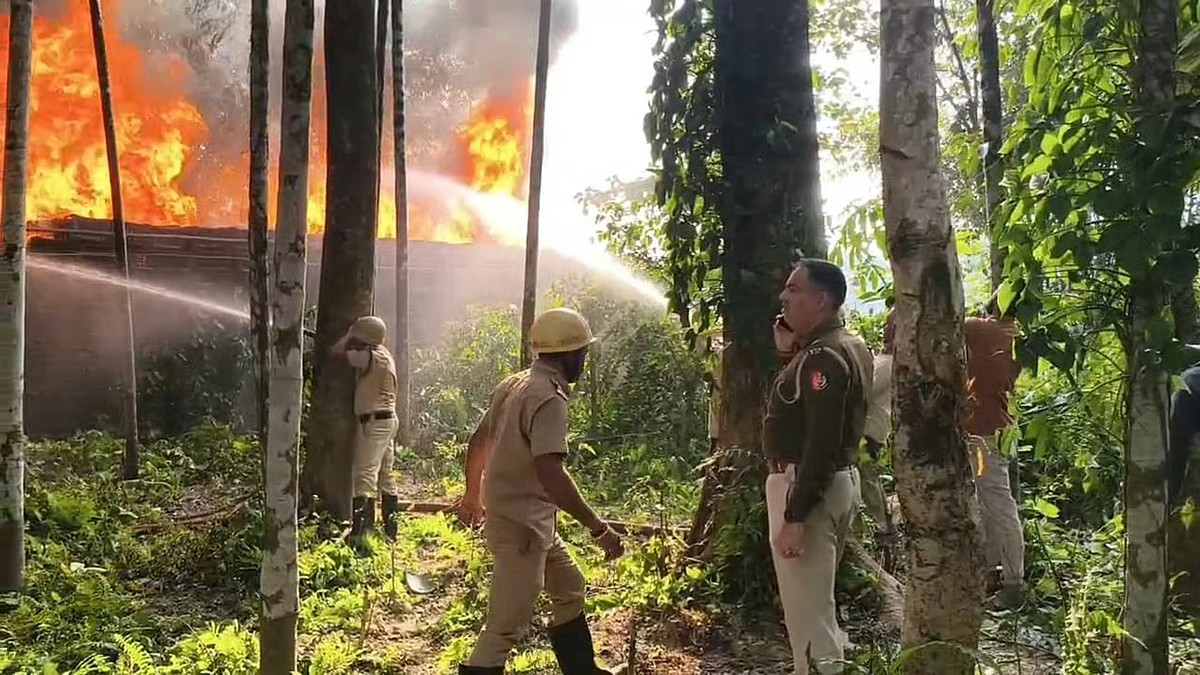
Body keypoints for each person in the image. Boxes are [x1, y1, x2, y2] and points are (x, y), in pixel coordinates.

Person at [456, 307, 627, 675]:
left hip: (530, 521)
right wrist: (599, 528)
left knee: (569, 587)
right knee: (504, 625)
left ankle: (582, 670)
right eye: (581, 352)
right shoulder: (548, 397)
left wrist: (473, 495)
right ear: (570, 354)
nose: (583, 359)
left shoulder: (514, 384)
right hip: (522, 528)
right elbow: (551, 472)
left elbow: (478, 441)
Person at [763, 259, 873, 675]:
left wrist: (795, 515)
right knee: (818, 607)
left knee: (809, 620)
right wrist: (790, 352)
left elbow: (821, 441)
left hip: (806, 487)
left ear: (822, 300)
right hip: (836, 483)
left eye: (794, 290)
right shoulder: (847, 346)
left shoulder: (822, 358)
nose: (783, 298)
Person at [964, 296, 1025, 609]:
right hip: (998, 427)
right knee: (990, 502)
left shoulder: (980, 328)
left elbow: (949, 325)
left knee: (998, 504)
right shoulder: (1017, 335)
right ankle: (994, 572)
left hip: (984, 431)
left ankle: (1014, 582)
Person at [332, 315, 401, 544]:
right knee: (384, 475)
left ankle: (363, 531)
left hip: (375, 422)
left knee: (364, 473)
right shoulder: (383, 355)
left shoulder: (367, 356)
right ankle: (391, 530)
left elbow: (337, 353)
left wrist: (349, 336)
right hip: (386, 420)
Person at [860, 312, 894, 533]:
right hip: (874, 426)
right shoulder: (887, 361)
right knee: (867, 476)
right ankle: (881, 521)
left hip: (870, 428)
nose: (885, 330)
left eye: (890, 327)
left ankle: (881, 523)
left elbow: (864, 390)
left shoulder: (888, 363)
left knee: (867, 477)